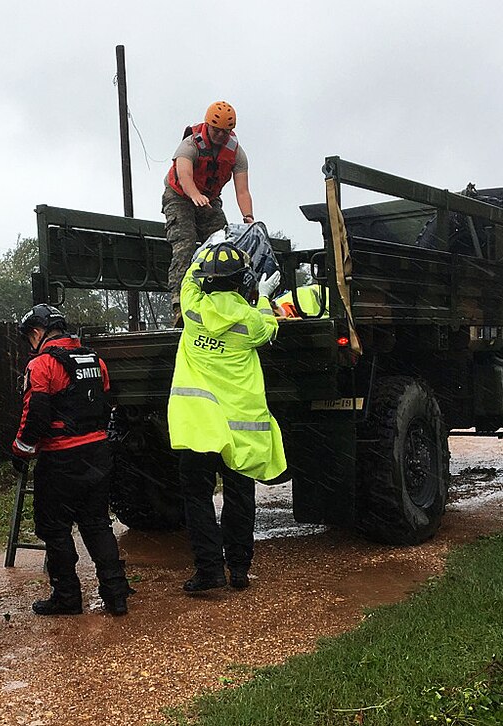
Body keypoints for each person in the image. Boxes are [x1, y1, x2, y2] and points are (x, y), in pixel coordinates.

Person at [167, 241, 286, 593]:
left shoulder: (193, 309)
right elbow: (270, 325)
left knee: (197, 496)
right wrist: (263, 296)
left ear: (207, 280)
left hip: (199, 425)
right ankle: (238, 568)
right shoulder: (251, 322)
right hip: (239, 429)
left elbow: (188, 281)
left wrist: (201, 253)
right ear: (242, 282)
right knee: (239, 494)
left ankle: (208, 570)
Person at [13, 304, 131, 616]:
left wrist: (20, 450)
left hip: (61, 457)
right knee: (96, 525)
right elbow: (106, 401)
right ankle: (116, 594)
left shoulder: (42, 365)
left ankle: (66, 597)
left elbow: (34, 416)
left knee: (55, 528)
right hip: (97, 453)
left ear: (36, 333)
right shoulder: (94, 360)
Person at [164, 100, 254, 324]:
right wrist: (194, 194)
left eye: (226, 132)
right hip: (180, 196)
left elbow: (242, 190)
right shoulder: (190, 144)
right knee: (185, 242)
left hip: (210, 199)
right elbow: (184, 174)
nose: (220, 135)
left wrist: (249, 217)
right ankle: (179, 305)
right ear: (207, 125)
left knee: (224, 244)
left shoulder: (236, 153)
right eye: (216, 130)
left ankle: (227, 298)